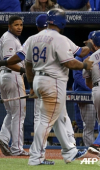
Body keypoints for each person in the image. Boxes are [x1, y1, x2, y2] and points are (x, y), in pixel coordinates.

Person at [24, 8, 93, 165]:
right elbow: (69, 62)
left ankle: (69, 151)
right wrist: (85, 65)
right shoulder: (60, 38)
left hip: (39, 80)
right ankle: (35, 158)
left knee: (58, 118)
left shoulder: (33, 38)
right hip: (53, 83)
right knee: (46, 121)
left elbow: (28, 65)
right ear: (62, 22)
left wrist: (31, 85)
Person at [0, 15, 29, 156]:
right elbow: (9, 62)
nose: (19, 27)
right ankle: (17, 149)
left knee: (12, 113)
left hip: (5, 77)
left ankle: (3, 138)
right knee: (19, 114)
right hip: (12, 76)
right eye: (16, 25)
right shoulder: (9, 38)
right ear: (9, 26)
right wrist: (25, 71)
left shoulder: (12, 38)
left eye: (21, 25)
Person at [72, 31, 97, 147]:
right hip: (86, 94)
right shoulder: (80, 56)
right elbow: (77, 77)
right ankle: (89, 148)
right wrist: (92, 89)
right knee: (88, 125)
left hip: (99, 94)